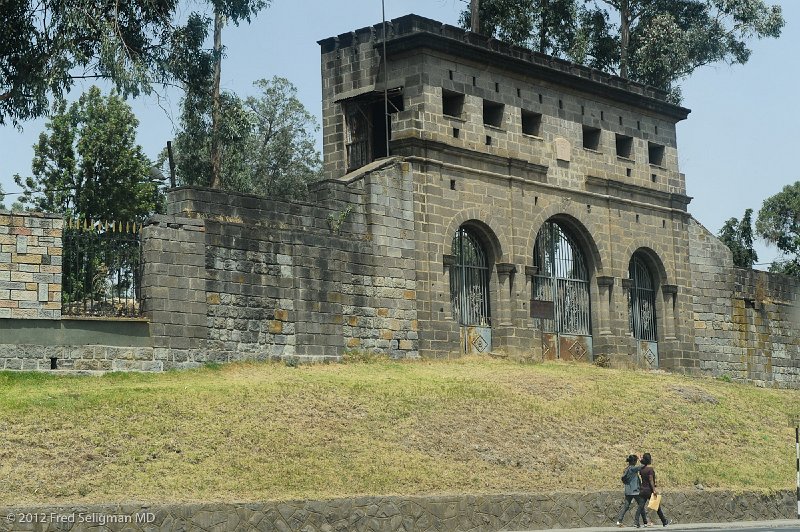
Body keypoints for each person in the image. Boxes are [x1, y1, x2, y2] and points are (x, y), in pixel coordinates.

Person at [616, 454, 647, 528]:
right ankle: (645, 522)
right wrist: (641, 460)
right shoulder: (632, 468)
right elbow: (643, 466)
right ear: (634, 461)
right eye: (636, 461)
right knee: (641, 505)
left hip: (628, 491)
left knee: (626, 506)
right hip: (635, 491)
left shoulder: (626, 469)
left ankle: (619, 521)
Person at [639, 452, 669, 527]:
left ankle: (637, 521)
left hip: (643, 490)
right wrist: (654, 489)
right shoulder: (650, 469)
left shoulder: (642, 469)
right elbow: (651, 480)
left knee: (641, 506)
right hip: (649, 490)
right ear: (650, 460)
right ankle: (664, 521)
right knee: (657, 506)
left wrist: (641, 460)